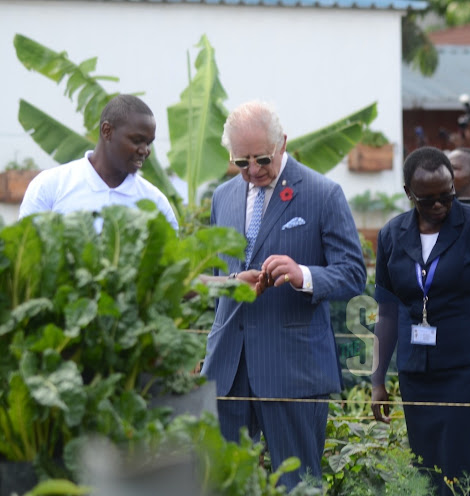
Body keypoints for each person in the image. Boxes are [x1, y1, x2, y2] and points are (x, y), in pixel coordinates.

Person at [202, 100, 366, 488]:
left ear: (283, 144)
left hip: (292, 369)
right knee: (222, 482)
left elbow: (353, 274)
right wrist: (230, 282)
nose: (253, 172)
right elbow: (212, 275)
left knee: (299, 484)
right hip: (228, 366)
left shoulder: (323, 193)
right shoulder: (222, 197)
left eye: (262, 160)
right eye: (241, 163)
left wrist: (302, 274)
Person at [370, 147, 470, 496]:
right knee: (426, 468)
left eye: (447, 195)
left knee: (467, 469)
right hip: (418, 372)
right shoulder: (392, 236)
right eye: (428, 199)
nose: (439, 205)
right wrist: (378, 379)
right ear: (409, 194)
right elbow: (387, 312)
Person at [19, 94, 178, 229]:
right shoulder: (50, 186)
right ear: (107, 131)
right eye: (137, 140)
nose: (145, 151)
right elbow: (26, 250)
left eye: (148, 143)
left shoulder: (156, 202)